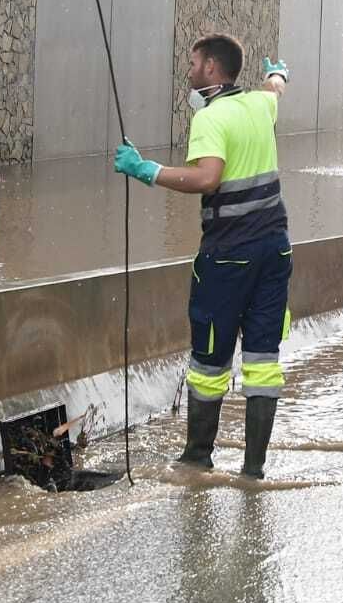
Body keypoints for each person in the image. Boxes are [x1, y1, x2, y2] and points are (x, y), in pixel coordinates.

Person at [112, 33, 291, 479]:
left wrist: (145, 170)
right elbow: (275, 90)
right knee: (263, 362)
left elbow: (207, 178)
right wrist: (277, 73)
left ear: (212, 68)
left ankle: (197, 458)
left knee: (210, 361)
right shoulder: (259, 104)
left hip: (228, 255)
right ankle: (253, 471)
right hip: (275, 250)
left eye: (193, 63)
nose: (189, 71)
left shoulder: (212, 118)